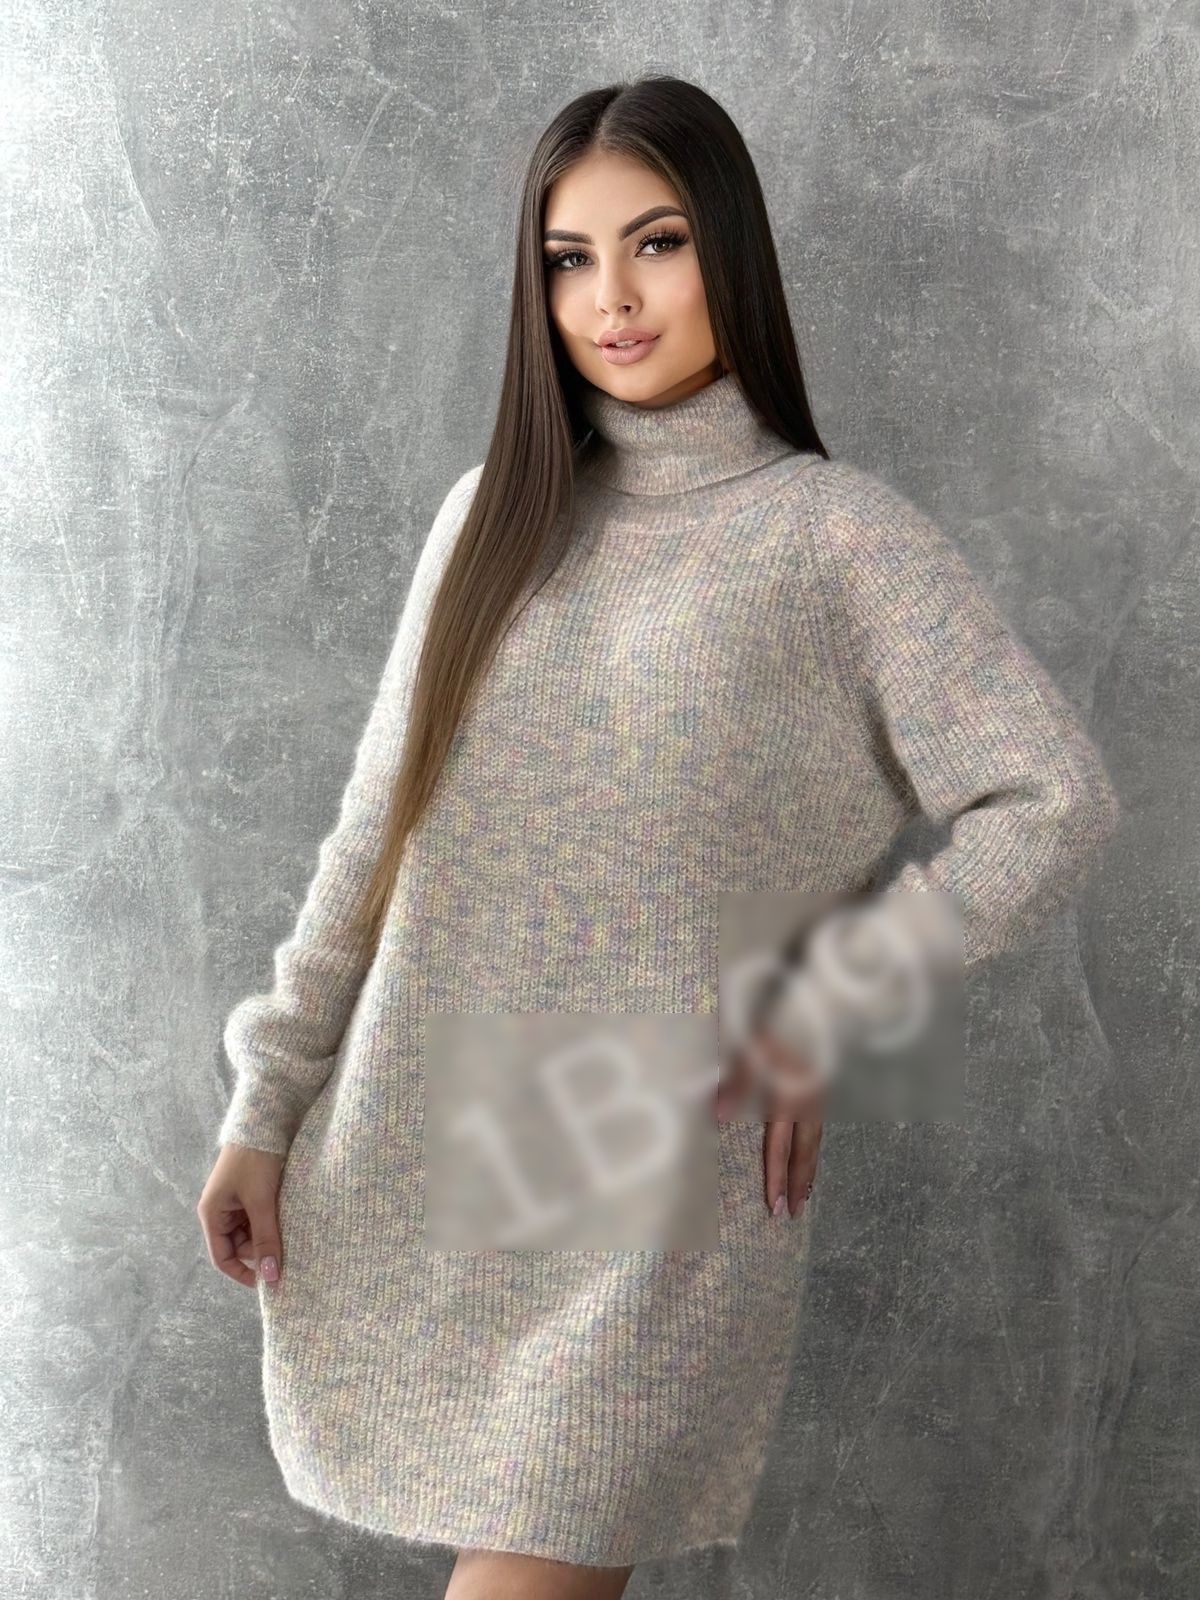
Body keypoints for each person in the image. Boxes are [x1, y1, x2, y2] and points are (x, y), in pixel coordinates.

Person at [196, 74, 1120, 1600]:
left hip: (659, 1201)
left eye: (659, 244)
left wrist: (830, 1000)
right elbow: (375, 839)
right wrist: (267, 1103)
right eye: (570, 259)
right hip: (432, 1154)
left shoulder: (837, 540)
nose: (612, 300)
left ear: (729, 251)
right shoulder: (490, 519)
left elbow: (1052, 798)